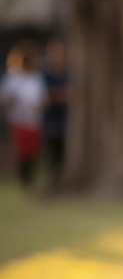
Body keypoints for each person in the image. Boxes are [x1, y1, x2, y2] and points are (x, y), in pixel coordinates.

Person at [0, 40, 48, 187]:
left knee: (32, 150)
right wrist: (12, 101)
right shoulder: (11, 78)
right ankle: (23, 178)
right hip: (19, 119)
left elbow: (43, 98)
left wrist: (39, 106)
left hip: (34, 120)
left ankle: (30, 177)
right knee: (22, 150)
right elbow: (3, 101)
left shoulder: (36, 77)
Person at [41, 36, 70, 185]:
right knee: (52, 153)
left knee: (66, 153)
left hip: (68, 121)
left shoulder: (70, 73)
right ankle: (53, 181)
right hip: (51, 119)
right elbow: (44, 96)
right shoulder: (45, 74)